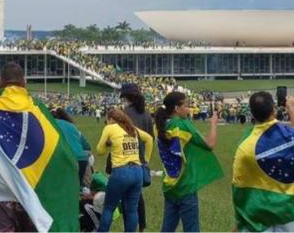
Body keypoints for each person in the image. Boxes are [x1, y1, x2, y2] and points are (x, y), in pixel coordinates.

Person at [0, 62, 80, 232]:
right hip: (30, 188)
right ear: (24, 82)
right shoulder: (36, 108)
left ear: (0, 81)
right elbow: (54, 145)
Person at [233, 93, 294, 232]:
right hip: (287, 210)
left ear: (251, 113)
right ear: (274, 110)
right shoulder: (293, 136)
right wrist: (291, 109)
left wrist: (240, 220)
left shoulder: (245, 146)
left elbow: (240, 186)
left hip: (259, 213)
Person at [155, 92, 223, 232]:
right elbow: (210, 144)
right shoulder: (182, 124)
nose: (189, 109)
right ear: (176, 108)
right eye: (186, 106)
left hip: (169, 185)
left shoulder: (161, 126)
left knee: (167, 229)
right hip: (185, 186)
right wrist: (214, 124)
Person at [95, 109, 153, 232]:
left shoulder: (109, 128)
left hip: (121, 171)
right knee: (132, 209)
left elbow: (100, 151)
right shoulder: (132, 128)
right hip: (137, 171)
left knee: (109, 207)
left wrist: (107, 143)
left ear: (111, 119)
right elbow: (149, 139)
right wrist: (146, 160)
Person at [119, 83, 153, 232]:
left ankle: (130, 228)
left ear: (126, 96)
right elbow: (150, 137)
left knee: (128, 198)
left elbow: (120, 136)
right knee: (137, 194)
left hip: (127, 157)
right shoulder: (146, 113)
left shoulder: (125, 113)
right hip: (141, 158)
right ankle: (143, 226)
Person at [51, 107, 91, 185]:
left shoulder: (50, 125)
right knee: (76, 187)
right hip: (81, 159)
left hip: (65, 159)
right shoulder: (73, 126)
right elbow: (87, 146)